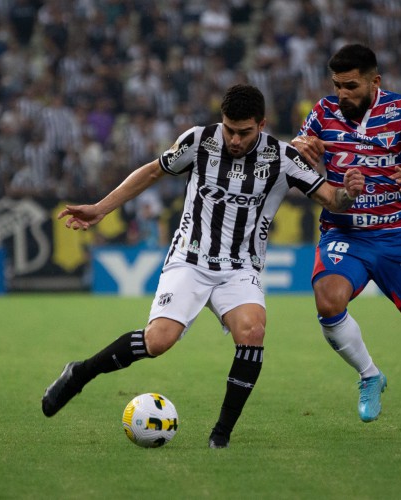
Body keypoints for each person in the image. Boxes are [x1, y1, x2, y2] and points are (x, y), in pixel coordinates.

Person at [42, 84, 364, 448]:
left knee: (253, 332)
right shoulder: (199, 141)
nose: (235, 140)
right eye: (229, 129)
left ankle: (221, 435)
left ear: (262, 124)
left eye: (244, 132)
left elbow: (332, 200)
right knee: (158, 341)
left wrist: (349, 192)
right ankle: (79, 373)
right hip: (189, 261)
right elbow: (151, 172)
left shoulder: (283, 157)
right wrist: (100, 208)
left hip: (240, 268)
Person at [291, 44, 401, 440]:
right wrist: (302, 150)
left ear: (375, 82)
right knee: (327, 301)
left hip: (399, 234)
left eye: (351, 86)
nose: (343, 94)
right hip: (345, 231)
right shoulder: (322, 112)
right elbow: (296, 156)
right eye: (337, 86)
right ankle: (370, 375)